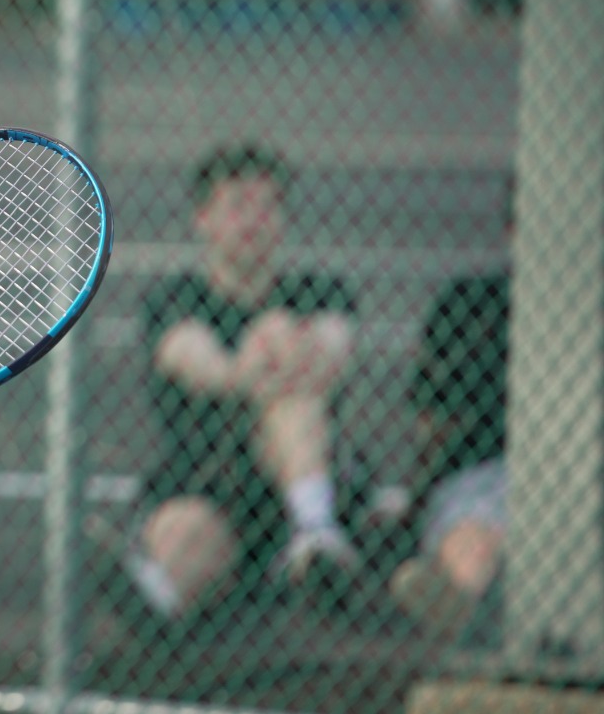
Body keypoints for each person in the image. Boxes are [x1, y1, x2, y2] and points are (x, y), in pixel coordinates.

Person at [122, 144, 361, 623]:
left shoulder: (319, 292)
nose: (254, 220)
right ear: (203, 219)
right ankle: (160, 599)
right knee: (183, 538)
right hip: (212, 480)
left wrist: (277, 344)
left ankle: (313, 537)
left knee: (292, 399)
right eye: (237, 206)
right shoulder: (177, 298)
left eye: (267, 206)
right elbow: (193, 359)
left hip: (299, 471)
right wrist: (250, 365)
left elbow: (335, 349)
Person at [389, 190, 511, 638]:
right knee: (474, 536)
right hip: (491, 468)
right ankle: (461, 610)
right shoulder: (472, 302)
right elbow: (433, 417)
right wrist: (416, 489)